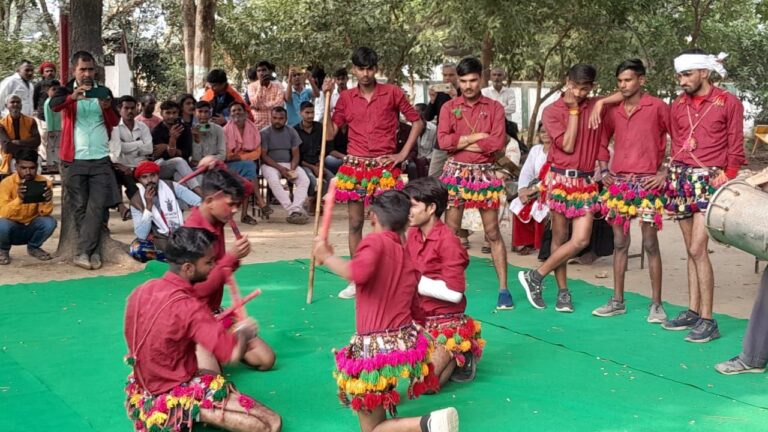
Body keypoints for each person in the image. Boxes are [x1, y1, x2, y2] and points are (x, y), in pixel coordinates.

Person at [313, 190, 459, 432]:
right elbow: (416, 306)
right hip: (401, 344)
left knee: (371, 429)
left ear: (372, 217)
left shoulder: (374, 241)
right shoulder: (406, 256)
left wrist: (327, 256)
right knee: (377, 413)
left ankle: (428, 424)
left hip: (375, 350)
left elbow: (357, 273)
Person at [123, 227, 282, 432]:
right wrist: (244, 333)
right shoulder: (190, 306)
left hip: (142, 391)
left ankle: (188, 408)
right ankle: (191, 411)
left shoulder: (142, 290)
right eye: (208, 263)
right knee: (272, 423)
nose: (213, 267)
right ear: (188, 268)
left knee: (212, 373)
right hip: (174, 392)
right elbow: (232, 354)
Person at [321, 46, 424, 299]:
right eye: (360, 68)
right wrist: (326, 98)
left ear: (376, 68)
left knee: (391, 222)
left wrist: (402, 155)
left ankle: (395, 275)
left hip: (384, 167)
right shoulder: (345, 98)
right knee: (355, 222)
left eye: (369, 68)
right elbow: (330, 134)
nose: (365, 73)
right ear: (354, 69)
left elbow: (417, 122)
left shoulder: (392, 93)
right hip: (354, 167)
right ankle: (357, 279)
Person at [659, 49, 746, 342]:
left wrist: (729, 173)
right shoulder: (678, 105)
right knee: (690, 250)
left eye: (687, 74)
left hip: (710, 180)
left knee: (698, 248)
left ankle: (709, 320)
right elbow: (677, 139)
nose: (681, 80)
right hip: (680, 179)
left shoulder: (728, 102)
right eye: (679, 75)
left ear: (704, 73)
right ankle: (693, 311)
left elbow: (736, 144)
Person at [517, 64, 610, 312]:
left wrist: (600, 103)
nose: (579, 93)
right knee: (560, 237)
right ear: (566, 81)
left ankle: (535, 276)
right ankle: (563, 293)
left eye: (585, 88)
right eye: (574, 86)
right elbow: (567, 146)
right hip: (560, 180)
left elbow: (626, 93)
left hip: (587, 182)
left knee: (580, 240)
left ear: (592, 86)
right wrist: (573, 111)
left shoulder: (594, 103)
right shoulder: (552, 111)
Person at [587, 59, 670, 322]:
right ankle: (617, 301)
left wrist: (664, 173)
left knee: (650, 244)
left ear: (641, 80)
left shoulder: (657, 107)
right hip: (619, 184)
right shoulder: (613, 111)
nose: (623, 85)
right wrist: (604, 171)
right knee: (620, 243)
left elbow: (678, 140)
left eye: (628, 80)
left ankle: (656, 305)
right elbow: (601, 142)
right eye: (620, 81)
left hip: (647, 183)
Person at [184, 167, 276, 372]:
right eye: (231, 205)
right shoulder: (193, 233)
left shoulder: (216, 217)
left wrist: (220, 166)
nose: (235, 210)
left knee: (265, 359)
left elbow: (247, 186)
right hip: (194, 318)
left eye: (236, 205)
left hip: (215, 313)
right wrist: (231, 258)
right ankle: (197, 350)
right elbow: (200, 289)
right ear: (209, 202)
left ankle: (215, 350)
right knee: (211, 379)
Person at [436, 56, 511, 309]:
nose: (468, 86)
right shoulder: (448, 107)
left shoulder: (495, 108)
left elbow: (497, 143)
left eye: (473, 80)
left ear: (482, 79)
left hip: (484, 174)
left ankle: (504, 289)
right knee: (451, 232)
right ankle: (449, 285)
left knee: (492, 233)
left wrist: (463, 142)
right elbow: (444, 143)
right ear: (458, 80)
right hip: (455, 173)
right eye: (464, 81)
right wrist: (478, 136)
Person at [404, 177, 484, 389]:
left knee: (424, 386)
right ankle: (455, 356)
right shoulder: (412, 233)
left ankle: (461, 351)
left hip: (445, 321)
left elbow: (455, 294)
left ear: (431, 208)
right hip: (416, 319)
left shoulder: (448, 241)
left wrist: (411, 283)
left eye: (412, 206)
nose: (407, 211)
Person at [50, 51, 121, 270]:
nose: (87, 73)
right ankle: (92, 252)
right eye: (83, 69)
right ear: (74, 71)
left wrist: (108, 108)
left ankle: (84, 252)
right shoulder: (65, 91)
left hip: (100, 158)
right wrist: (74, 96)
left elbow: (116, 120)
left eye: (90, 69)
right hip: (75, 159)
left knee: (97, 206)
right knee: (80, 207)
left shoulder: (103, 92)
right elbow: (54, 105)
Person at [128, 160, 201, 262]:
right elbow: (141, 234)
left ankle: (177, 258)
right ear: (139, 180)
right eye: (144, 177)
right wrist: (148, 206)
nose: (149, 180)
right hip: (159, 239)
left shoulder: (171, 186)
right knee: (137, 249)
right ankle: (173, 258)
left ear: (158, 175)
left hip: (181, 233)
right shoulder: (136, 201)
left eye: (152, 175)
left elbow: (198, 202)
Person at [0, 148, 56, 265]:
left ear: (36, 166)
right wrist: (19, 199)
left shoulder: (44, 183)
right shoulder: (6, 184)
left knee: (50, 222)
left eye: (32, 168)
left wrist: (47, 200)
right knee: (2, 224)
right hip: (12, 229)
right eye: (23, 168)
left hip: (31, 227)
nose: (28, 172)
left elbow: (45, 214)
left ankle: (34, 247)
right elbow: (3, 213)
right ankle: (3, 250)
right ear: (16, 166)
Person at [260, 106, 311, 224]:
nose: (277, 121)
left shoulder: (291, 131)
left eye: (281, 118)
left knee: (304, 180)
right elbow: (264, 156)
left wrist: (291, 169)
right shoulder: (264, 133)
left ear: (286, 119)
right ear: (270, 118)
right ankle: (292, 210)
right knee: (273, 180)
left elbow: (296, 154)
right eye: (274, 118)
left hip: (289, 163)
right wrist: (281, 169)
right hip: (270, 164)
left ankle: (296, 209)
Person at [224, 101, 270, 224]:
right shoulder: (225, 130)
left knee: (248, 175)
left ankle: (245, 214)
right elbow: (227, 156)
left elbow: (257, 152)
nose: (237, 113)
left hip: (246, 165)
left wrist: (239, 156)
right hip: (229, 166)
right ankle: (260, 201)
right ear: (230, 114)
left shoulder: (253, 128)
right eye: (233, 111)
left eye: (239, 110)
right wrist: (243, 156)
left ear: (245, 112)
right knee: (250, 167)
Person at [510, 125, 550, 255]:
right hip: (535, 186)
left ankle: (540, 244)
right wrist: (522, 190)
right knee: (519, 203)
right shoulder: (536, 150)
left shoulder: (558, 151)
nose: (545, 134)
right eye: (542, 131)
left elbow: (552, 176)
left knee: (540, 207)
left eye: (549, 132)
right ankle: (526, 243)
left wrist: (533, 190)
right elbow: (527, 171)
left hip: (552, 187)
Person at [109, 95, 153, 207]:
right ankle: (141, 209)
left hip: (141, 165)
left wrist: (126, 146)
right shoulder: (114, 127)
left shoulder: (142, 126)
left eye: (132, 108)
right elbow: (118, 149)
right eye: (126, 108)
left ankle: (152, 209)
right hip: (124, 167)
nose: (130, 111)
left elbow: (149, 148)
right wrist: (139, 144)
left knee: (153, 179)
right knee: (128, 180)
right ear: (119, 109)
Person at [151, 100, 202, 195]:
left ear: (178, 114)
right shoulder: (156, 131)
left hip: (182, 167)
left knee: (179, 174)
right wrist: (172, 139)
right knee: (179, 161)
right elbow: (167, 155)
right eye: (168, 113)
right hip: (162, 167)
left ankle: (188, 205)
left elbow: (187, 153)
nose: (171, 116)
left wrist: (167, 146)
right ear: (162, 113)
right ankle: (200, 193)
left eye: (174, 113)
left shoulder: (185, 129)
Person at [295, 101, 333, 216]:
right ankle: (311, 201)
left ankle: (315, 201)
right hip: (303, 164)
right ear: (300, 113)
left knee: (332, 179)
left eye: (312, 112)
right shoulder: (295, 130)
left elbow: (325, 147)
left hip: (317, 162)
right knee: (311, 180)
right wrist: (312, 167)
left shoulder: (320, 127)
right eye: (307, 113)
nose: (310, 115)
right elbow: (297, 156)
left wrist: (319, 163)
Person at [427, 63, 460, 178]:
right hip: (441, 142)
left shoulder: (464, 93)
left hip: (460, 143)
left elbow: (462, 117)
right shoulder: (439, 94)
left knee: (458, 178)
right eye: (445, 75)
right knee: (433, 176)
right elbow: (428, 117)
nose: (447, 78)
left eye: (451, 75)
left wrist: (455, 98)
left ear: (457, 75)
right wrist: (432, 100)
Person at [0, 94, 41, 175]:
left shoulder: (31, 121)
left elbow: (37, 142)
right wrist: (28, 143)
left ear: (21, 105)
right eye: (12, 102)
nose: (15, 104)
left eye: (18, 102)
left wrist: (17, 142)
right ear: (7, 106)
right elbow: (7, 147)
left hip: (29, 156)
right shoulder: (2, 124)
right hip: (11, 158)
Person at [247, 61, 285, 130]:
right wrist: (260, 86)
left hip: (275, 126)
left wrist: (260, 107)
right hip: (258, 126)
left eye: (264, 70)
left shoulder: (278, 85)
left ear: (269, 71)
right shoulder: (251, 86)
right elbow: (255, 103)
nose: (261, 73)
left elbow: (280, 104)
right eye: (259, 71)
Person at [481, 67, 517, 136]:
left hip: (507, 126)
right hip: (490, 127)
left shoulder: (510, 91)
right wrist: (503, 108)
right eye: (494, 75)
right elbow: (484, 110)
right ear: (490, 77)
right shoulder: (484, 92)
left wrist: (494, 110)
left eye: (499, 75)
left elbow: (512, 108)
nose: (496, 77)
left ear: (503, 76)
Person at [191, 101, 227, 166]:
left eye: (206, 112)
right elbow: (195, 159)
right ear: (194, 113)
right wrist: (196, 139)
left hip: (214, 165)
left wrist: (208, 160)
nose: (203, 115)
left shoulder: (218, 129)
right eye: (200, 111)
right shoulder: (192, 130)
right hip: (198, 168)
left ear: (210, 113)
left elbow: (222, 155)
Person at [407, 103, 436, 180]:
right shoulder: (411, 128)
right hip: (415, 159)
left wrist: (426, 159)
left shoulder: (433, 129)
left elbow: (436, 150)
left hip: (428, 160)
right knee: (412, 167)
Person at [43, 83, 62, 171]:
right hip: (52, 129)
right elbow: (48, 117)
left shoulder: (57, 101)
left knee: (57, 146)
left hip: (59, 128)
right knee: (51, 147)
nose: (56, 91)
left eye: (57, 89)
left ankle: (56, 162)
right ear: (47, 91)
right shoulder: (48, 102)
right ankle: (51, 164)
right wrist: (50, 130)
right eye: (53, 89)